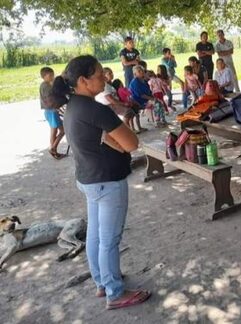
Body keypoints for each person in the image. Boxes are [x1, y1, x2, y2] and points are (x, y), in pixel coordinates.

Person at [49, 55, 151, 310]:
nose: (104, 79)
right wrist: (114, 141)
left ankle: (102, 281)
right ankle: (115, 293)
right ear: (83, 81)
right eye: (98, 75)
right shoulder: (97, 110)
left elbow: (104, 140)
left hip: (89, 179)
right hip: (107, 181)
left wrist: (110, 140)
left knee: (96, 235)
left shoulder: (72, 107)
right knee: (109, 240)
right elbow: (132, 144)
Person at [39, 67, 66, 160]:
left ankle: (54, 149)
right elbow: (50, 100)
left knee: (54, 131)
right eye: (50, 75)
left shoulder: (47, 84)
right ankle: (53, 148)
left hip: (51, 111)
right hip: (51, 111)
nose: (52, 77)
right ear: (44, 76)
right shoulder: (45, 86)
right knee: (62, 131)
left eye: (52, 75)